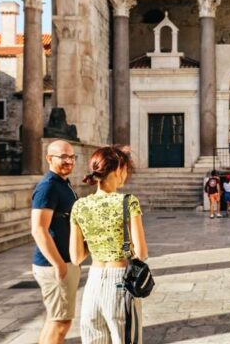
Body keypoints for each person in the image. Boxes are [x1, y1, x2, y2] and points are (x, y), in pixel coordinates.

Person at [69, 145, 149, 343]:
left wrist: (97, 238)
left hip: (93, 284)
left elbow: (76, 257)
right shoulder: (128, 201)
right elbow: (141, 252)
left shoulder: (79, 205)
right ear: (119, 168)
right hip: (120, 282)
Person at [30, 140, 81, 344]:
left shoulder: (62, 183)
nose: (69, 161)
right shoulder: (48, 187)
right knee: (61, 322)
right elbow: (38, 229)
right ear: (50, 158)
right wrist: (59, 264)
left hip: (63, 261)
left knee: (55, 319)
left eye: (72, 157)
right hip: (55, 264)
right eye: (63, 156)